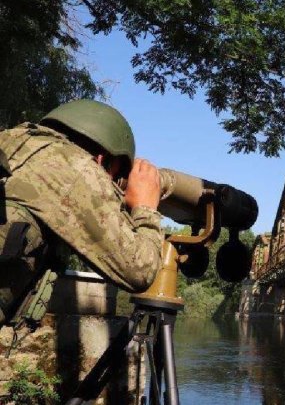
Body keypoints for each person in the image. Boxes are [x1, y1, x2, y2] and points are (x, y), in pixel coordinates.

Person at [0, 99, 163, 325]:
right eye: (114, 177)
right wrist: (146, 208)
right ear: (102, 159)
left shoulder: (11, 139)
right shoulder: (78, 168)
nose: (112, 184)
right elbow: (139, 270)